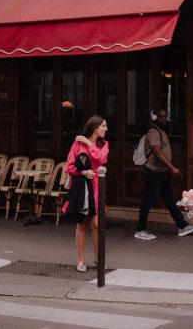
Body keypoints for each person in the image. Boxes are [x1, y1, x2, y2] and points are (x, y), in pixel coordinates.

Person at [135, 107, 193, 241]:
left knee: (170, 199)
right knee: (148, 201)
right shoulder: (153, 132)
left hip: (161, 172)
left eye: (165, 116)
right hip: (153, 172)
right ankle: (140, 229)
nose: (164, 119)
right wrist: (172, 168)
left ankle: (182, 226)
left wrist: (168, 169)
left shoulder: (161, 131)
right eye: (160, 116)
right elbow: (157, 152)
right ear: (154, 118)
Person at [64, 115, 110, 272]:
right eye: (103, 126)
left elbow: (100, 158)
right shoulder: (77, 144)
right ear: (94, 128)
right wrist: (83, 172)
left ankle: (98, 257)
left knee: (97, 224)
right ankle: (80, 259)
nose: (106, 129)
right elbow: (69, 167)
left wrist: (88, 143)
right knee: (81, 223)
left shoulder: (104, 144)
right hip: (82, 187)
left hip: (97, 188)